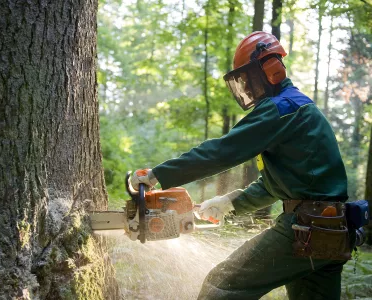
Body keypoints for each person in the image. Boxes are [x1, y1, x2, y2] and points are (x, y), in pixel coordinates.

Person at [129, 31, 353, 300]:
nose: (246, 87)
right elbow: (278, 186)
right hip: (333, 229)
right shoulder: (298, 109)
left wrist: (157, 175)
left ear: (270, 69)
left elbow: (223, 151)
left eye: (247, 79)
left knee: (222, 285)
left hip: (306, 227)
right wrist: (230, 203)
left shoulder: (282, 108)